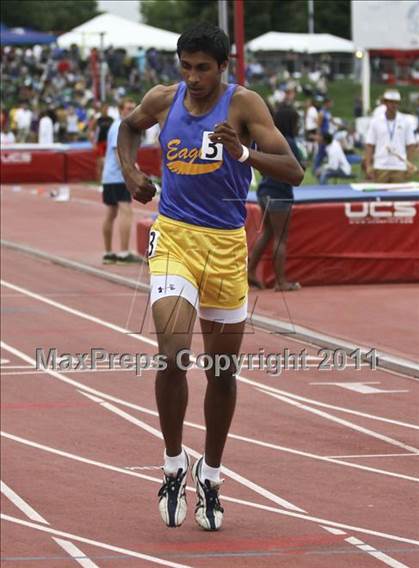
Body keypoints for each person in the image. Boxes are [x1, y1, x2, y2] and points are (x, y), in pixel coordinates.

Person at [117, 23, 303, 531]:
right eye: (187, 67)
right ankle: (174, 464)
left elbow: (293, 170)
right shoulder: (163, 98)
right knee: (173, 351)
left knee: (222, 371)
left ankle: (212, 475)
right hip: (175, 236)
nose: (194, 78)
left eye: (203, 68)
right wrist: (131, 171)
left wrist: (243, 152)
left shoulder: (245, 106)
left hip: (225, 245)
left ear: (223, 68)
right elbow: (128, 127)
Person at [248, 105, 303, 291]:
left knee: (268, 233)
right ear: (291, 124)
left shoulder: (270, 141)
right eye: (297, 123)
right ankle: (281, 282)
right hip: (279, 193)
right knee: (281, 238)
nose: (299, 127)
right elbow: (298, 170)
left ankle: (250, 271)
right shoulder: (289, 143)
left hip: (264, 191)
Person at [102, 97, 142, 265]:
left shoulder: (117, 126)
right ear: (120, 110)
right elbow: (119, 153)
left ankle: (109, 253)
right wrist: (131, 172)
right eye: (128, 108)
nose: (131, 110)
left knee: (111, 213)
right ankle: (124, 253)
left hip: (109, 176)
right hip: (118, 177)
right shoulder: (120, 126)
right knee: (126, 211)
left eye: (133, 107)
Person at [365, 90, 417, 183]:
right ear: (385, 103)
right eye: (391, 102)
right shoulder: (375, 121)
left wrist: (409, 164)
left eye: (396, 102)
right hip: (380, 166)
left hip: (399, 167)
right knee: (380, 196)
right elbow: (370, 144)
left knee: (399, 196)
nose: (393, 105)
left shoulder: (406, 121)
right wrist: (368, 165)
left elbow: (411, 145)